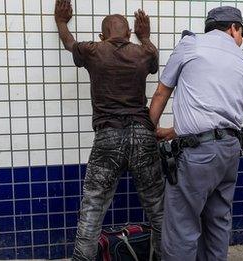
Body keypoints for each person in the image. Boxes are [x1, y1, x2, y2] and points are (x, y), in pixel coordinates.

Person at [54, 1, 164, 260]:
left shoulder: (93, 50)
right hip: (143, 135)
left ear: (102, 36)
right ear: (128, 35)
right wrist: (145, 37)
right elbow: (154, 60)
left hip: (108, 135)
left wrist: (61, 22)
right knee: (158, 210)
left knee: (92, 209)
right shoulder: (142, 52)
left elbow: (70, 44)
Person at [148, 6, 243, 261]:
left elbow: (163, 92)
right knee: (217, 221)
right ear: (233, 28)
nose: (240, 40)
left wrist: (148, 130)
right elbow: (219, 114)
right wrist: (175, 132)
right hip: (230, 150)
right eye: (241, 33)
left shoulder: (190, 44)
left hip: (197, 156)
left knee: (182, 225)